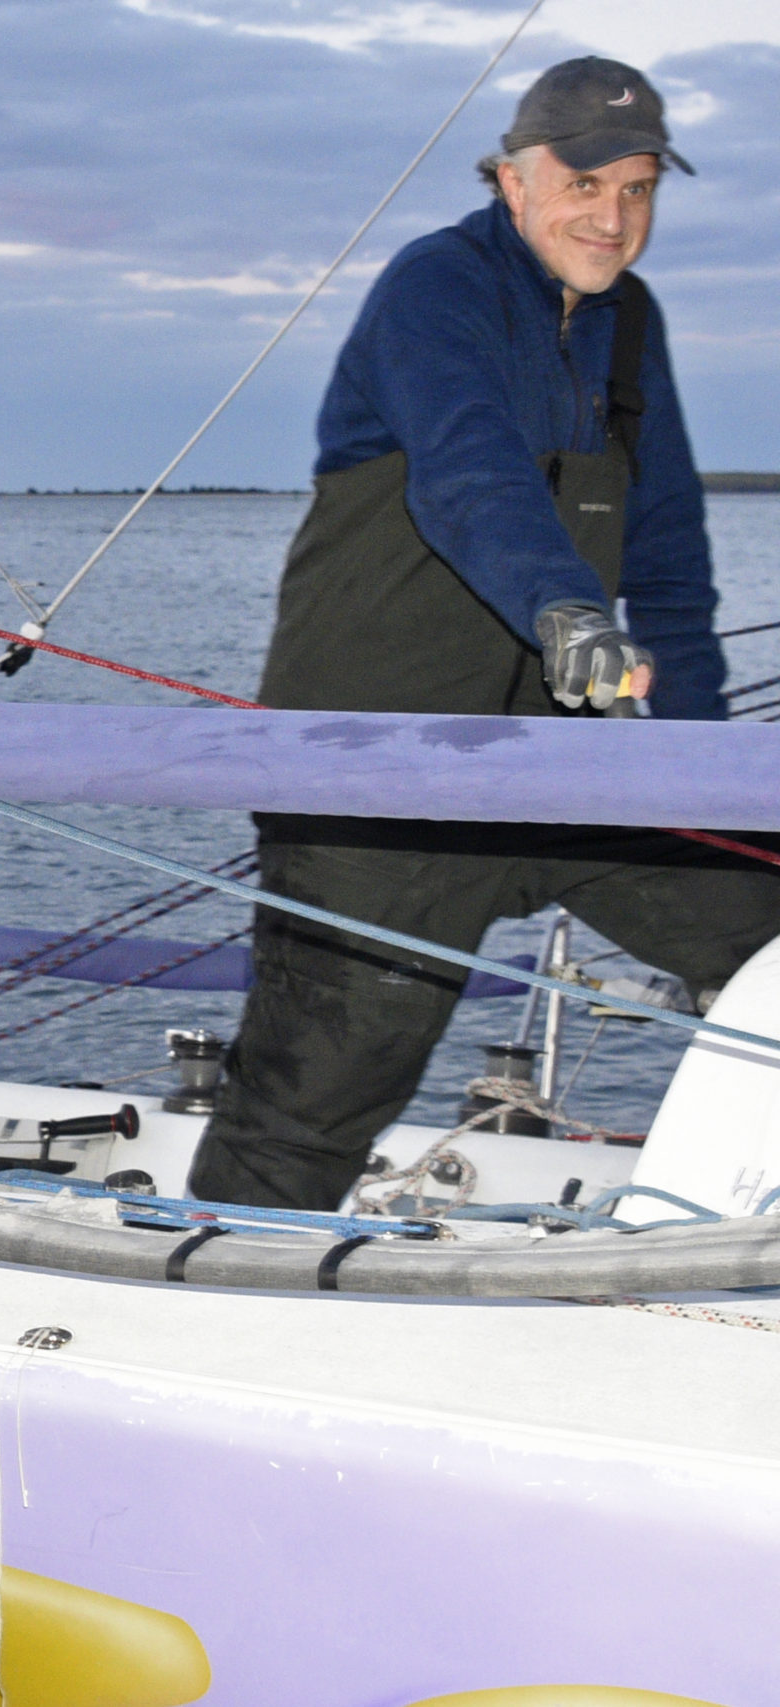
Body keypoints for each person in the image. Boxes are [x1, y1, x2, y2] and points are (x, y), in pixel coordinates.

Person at [188, 59, 780, 1210]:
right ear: (512, 179)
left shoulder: (626, 324)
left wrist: (710, 762)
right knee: (314, 1097)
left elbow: (666, 553)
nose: (613, 217)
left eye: (641, 188)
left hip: (566, 764)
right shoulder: (437, 287)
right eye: (584, 181)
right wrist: (565, 612)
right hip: (382, 773)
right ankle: (202, 1304)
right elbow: (467, 475)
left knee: (766, 930)